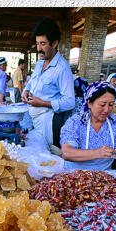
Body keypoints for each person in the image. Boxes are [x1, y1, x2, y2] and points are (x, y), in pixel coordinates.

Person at [59, 81, 116, 171]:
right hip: (74, 173)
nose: (107, 110)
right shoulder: (75, 122)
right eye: (102, 105)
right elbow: (67, 153)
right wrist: (97, 153)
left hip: (105, 173)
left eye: (111, 105)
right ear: (89, 103)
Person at [23, 18, 75, 147]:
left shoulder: (62, 68)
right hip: (33, 118)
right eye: (37, 43)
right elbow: (30, 84)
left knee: (47, 156)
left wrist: (42, 103)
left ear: (54, 43)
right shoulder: (39, 63)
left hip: (48, 121)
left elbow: (69, 102)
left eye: (43, 43)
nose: (38, 48)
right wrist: (26, 91)